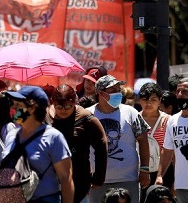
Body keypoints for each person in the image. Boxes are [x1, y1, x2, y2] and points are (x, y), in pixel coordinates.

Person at [2, 86, 74, 203]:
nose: (12, 108)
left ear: (32, 108)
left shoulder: (53, 137)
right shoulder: (11, 136)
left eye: (18, 105)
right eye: (12, 104)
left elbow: (66, 179)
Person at [87, 75, 151, 203]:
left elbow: (143, 140)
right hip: (97, 181)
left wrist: (144, 169)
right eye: (113, 91)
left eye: (118, 89)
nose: (118, 93)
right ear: (100, 93)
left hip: (128, 180)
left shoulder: (131, 112)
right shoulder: (87, 115)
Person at [47, 84, 107, 203]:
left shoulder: (86, 119)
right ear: (52, 103)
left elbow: (101, 145)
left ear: (74, 102)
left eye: (68, 107)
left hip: (78, 178)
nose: (63, 110)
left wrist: (98, 177)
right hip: (50, 178)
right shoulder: (46, 117)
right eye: (59, 107)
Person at [157, 76, 188, 203]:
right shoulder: (173, 120)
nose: (180, 95)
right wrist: (159, 175)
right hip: (181, 184)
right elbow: (168, 151)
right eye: (178, 91)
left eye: (185, 92)